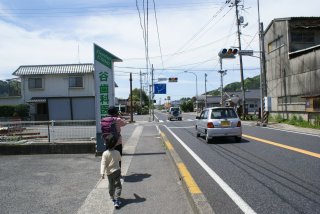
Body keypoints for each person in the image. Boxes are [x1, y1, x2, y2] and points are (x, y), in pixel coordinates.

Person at [100, 137, 122, 209]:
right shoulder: (117, 152)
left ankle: (112, 196)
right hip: (117, 171)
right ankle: (117, 200)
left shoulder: (105, 153)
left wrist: (102, 173)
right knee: (118, 185)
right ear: (115, 144)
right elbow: (119, 160)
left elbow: (103, 163)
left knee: (111, 184)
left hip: (109, 173)